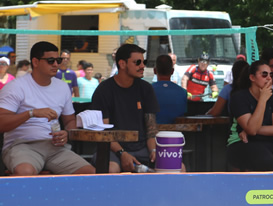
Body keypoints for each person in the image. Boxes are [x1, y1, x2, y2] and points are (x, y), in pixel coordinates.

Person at [0, 41, 95, 175]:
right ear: (35, 62)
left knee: (89, 173)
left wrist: (67, 133)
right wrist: (31, 113)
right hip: (22, 145)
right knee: (25, 172)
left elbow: (69, 121)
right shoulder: (15, 87)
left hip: (55, 147)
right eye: (51, 61)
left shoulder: (62, 87)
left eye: (58, 60)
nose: (56, 64)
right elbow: (2, 123)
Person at [92, 44, 169, 173]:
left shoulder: (146, 88)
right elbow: (104, 133)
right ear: (122, 64)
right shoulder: (104, 90)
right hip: (111, 149)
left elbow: (151, 129)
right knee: (112, 169)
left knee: (177, 167)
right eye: (137, 62)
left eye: (143, 62)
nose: (142, 66)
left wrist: (154, 151)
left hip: (143, 148)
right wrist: (122, 153)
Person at [153, 54, 188, 124]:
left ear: (155, 71)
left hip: (152, 130)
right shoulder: (183, 92)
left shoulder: (146, 90)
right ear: (172, 71)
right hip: (177, 130)